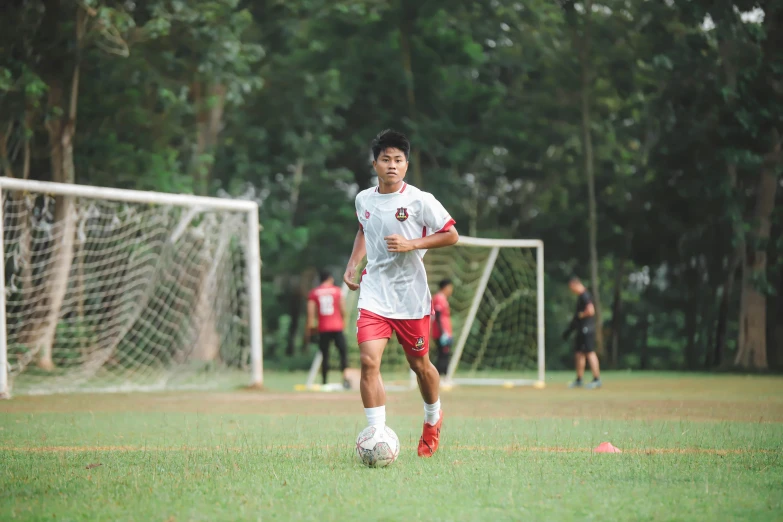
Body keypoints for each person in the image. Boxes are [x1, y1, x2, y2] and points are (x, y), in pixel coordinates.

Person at [343, 129, 458, 458]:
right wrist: (353, 263)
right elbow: (363, 229)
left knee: (420, 366)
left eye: (398, 160)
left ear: (406, 165)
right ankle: (376, 434)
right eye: (385, 160)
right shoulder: (363, 199)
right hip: (375, 293)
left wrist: (413, 244)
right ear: (374, 164)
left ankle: (433, 418)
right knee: (368, 362)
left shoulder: (420, 200)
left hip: (410, 298)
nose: (391, 165)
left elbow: (451, 235)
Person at [306, 271, 349, 387]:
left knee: (325, 355)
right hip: (337, 326)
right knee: (343, 354)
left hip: (323, 328)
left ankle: (324, 381)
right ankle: (345, 379)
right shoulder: (337, 291)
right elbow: (343, 309)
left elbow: (311, 313)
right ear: (330, 279)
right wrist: (344, 321)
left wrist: (311, 329)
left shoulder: (314, 293)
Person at [562, 276, 602, 389]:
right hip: (581, 329)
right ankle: (579, 379)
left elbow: (591, 310)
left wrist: (581, 315)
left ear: (576, 284)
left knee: (589, 352)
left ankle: (597, 379)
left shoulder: (585, 295)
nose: (571, 291)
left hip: (587, 329)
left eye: (571, 288)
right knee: (579, 353)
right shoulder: (581, 296)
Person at [432, 279, 454, 375]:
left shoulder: (443, 298)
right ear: (445, 287)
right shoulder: (439, 298)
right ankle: (440, 377)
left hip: (446, 332)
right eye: (450, 287)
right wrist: (443, 333)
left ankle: (444, 377)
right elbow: (437, 315)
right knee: (442, 355)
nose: (451, 290)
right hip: (441, 332)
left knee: (445, 354)